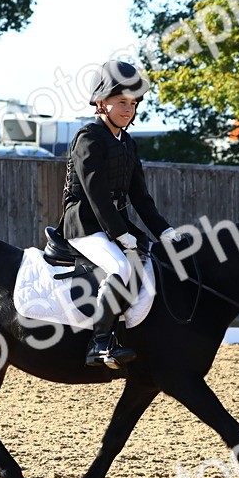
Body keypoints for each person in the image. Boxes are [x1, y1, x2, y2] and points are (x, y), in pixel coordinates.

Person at [55, 60, 182, 368]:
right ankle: (99, 344)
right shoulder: (88, 138)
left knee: (153, 261)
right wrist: (120, 233)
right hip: (83, 223)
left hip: (114, 222)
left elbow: (140, 196)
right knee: (120, 267)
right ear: (102, 103)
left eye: (133, 104)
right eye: (122, 102)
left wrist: (164, 231)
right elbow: (95, 194)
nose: (129, 109)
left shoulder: (126, 143)